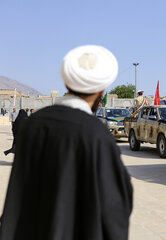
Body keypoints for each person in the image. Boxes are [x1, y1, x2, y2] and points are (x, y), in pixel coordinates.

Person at [0, 45, 133, 240]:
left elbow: (19, 193)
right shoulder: (96, 134)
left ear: (66, 83)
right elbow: (115, 206)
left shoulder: (32, 125)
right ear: (101, 92)